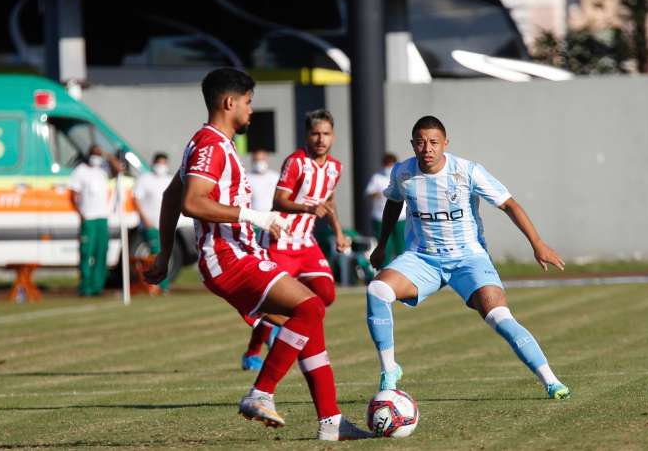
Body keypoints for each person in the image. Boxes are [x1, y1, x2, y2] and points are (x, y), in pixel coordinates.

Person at [143, 68, 370, 441]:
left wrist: (166, 253)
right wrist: (257, 216)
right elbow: (192, 202)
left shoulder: (211, 143)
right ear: (229, 102)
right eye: (248, 102)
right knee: (311, 307)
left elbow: (171, 197)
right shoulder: (210, 145)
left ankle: (331, 423)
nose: (251, 110)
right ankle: (260, 393)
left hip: (236, 254)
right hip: (228, 256)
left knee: (309, 327)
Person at [366, 115, 572, 400]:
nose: (427, 148)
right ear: (412, 144)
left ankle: (551, 381)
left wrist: (537, 243)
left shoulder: (467, 171)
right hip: (422, 259)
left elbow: (508, 203)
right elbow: (394, 201)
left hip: (469, 260)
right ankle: (389, 372)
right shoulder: (403, 172)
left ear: (445, 144)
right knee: (377, 289)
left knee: (499, 316)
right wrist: (382, 244)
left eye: (433, 142)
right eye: (420, 142)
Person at [240, 110, 351, 371]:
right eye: (315, 134)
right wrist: (308, 209)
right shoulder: (296, 162)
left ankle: (289, 328)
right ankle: (253, 351)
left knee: (326, 293)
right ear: (307, 136)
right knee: (270, 300)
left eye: (325, 134)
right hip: (280, 240)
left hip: (306, 244)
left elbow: (329, 202)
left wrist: (338, 232)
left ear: (333, 136)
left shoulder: (336, 168)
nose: (320, 139)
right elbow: (278, 201)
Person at [68, 145, 121, 297]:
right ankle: (85, 286)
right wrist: (80, 214)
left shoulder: (103, 169)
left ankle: (97, 286)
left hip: (102, 218)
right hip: (88, 218)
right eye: (95, 154)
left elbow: (118, 170)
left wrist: (108, 155)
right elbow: (72, 194)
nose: (97, 157)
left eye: (99, 154)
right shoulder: (80, 171)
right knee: (87, 253)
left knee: (101, 252)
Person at [133, 152, 171, 292]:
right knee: (157, 254)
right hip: (150, 224)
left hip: (165, 225)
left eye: (163, 163)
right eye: (159, 163)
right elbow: (136, 199)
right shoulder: (145, 179)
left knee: (165, 255)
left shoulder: (169, 179)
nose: (161, 166)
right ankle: (161, 286)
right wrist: (145, 219)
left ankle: (162, 286)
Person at [364, 152, 406, 264]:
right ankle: (384, 269)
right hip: (380, 217)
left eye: (391, 164)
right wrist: (378, 194)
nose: (389, 167)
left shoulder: (402, 176)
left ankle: (402, 269)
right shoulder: (377, 177)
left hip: (400, 217)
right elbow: (369, 192)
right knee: (385, 246)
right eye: (387, 164)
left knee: (401, 245)